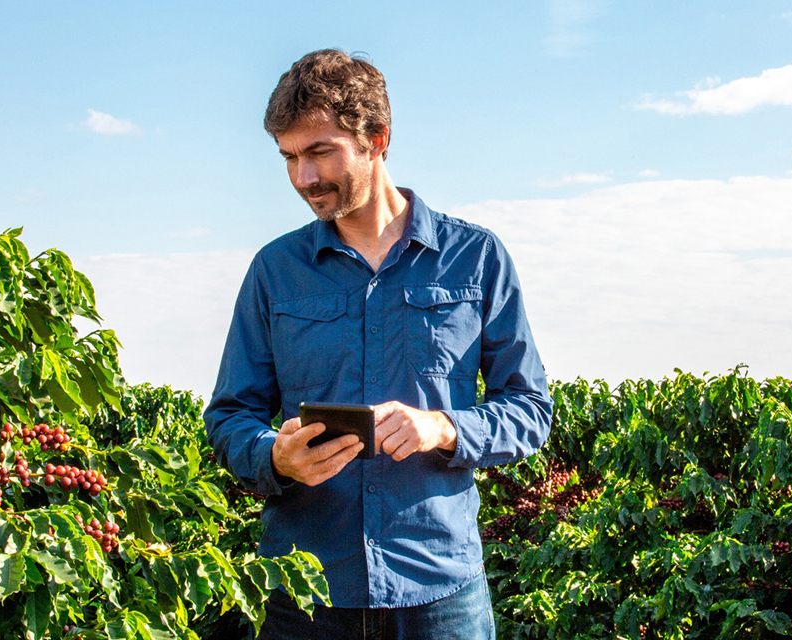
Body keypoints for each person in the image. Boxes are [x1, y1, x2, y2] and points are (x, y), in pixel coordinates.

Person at [203, 48, 552, 639]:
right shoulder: (274, 270)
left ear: (378, 139)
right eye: (289, 157)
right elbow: (231, 416)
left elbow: (531, 409)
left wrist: (443, 428)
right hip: (304, 590)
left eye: (320, 152)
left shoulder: (477, 257)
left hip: (439, 588)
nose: (304, 178)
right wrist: (273, 455)